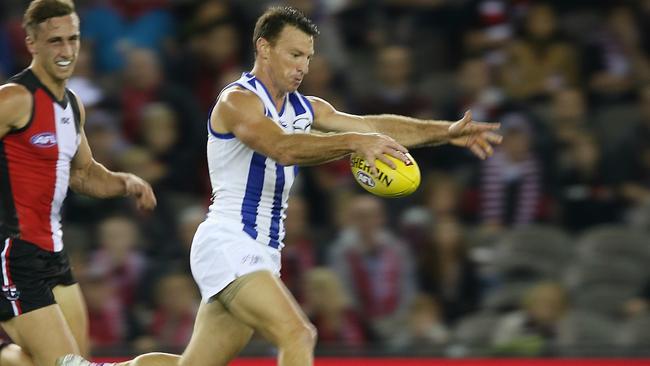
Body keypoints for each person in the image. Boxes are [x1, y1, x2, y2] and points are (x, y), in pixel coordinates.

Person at [59, 6, 501, 366]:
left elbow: (373, 126)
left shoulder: (307, 106)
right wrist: (352, 144)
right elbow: (282, 147)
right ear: (264, 49)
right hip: (227, 239)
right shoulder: (237, 100)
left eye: (308, 57)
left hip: (263, 251)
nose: (303, 66)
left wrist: (445, 132)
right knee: (298, 333)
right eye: (294, 55)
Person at [0, 1, 179, 366]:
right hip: (13, 254)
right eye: (55, 41)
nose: (66, 51)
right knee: (69, 364)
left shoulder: (71, 105)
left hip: (54, 255)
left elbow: (84, 174)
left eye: (73, 39)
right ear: (32, 43)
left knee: (70, 358)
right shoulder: (15, 98)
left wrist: (125, 181)